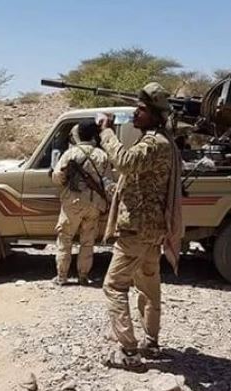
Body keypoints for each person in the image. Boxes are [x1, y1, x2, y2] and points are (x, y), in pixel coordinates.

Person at [98, 82, 183, 372]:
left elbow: (124, 161)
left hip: (137, 229)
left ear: (156, 115)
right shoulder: (161, 140)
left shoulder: (155, 143)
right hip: (151, 229)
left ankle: (129, 351)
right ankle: (151, 341)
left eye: (142, 110)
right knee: (148, 285)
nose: (136, 112)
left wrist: (105, 131)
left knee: (114, 285)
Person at [51, 121, 113, 286]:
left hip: (72, 203)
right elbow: (108, 183)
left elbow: (57, 177)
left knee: (65, 239)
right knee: (88, 242)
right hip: (94, 204)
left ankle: (62, 277)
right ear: (94, 136)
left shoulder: (69, 154)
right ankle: (83, 276)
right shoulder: (102, 155)